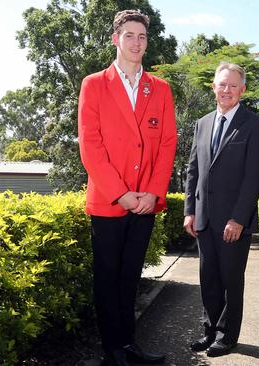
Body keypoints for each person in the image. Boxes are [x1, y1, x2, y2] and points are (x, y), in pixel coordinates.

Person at [77, 9, 177, 366]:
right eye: (130, 35)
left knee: (131, 276)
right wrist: (121, 193)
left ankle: (129, 344)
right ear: (115, 39)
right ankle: (112, 351)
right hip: (108, 201)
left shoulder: (160, 89)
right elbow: (90, 146)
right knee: (107, 278)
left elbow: (167, 144)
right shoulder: (94, 84)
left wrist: (152, 192)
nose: (137, 43)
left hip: (146, 202)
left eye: (142, 37)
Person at [183, 62, 259, 358]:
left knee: (232, 280)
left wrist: (239, 218)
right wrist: (189, 211)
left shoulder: (255, 125)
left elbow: (254, 176)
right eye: (222, 84)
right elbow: (193, 170)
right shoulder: (202, 123)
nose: (227, 90)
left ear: (243, 90)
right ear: (213, 87)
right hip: (204, 218)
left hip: (234, 220)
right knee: (209, 279)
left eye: (233, 85)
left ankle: (227, 335)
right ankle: (209, 331)